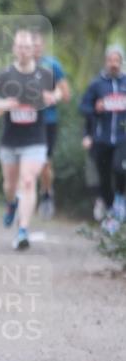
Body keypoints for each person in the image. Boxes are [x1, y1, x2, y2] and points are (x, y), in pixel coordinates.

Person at [0, 29, 62, 250]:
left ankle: (23, 230)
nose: (24, 51)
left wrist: (52, 97)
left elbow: (59, 93)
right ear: (14, 49)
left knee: (28, 181)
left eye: (27, 47)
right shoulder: (6, 75)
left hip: (36, 139)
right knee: (10, 185)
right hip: (10, 140)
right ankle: (11, 202)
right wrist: (4, 104)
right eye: (20, 47)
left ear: (33, 50)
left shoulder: (44, 74)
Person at [79, 44, 126, 233]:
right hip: (102, 139)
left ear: (121, 62)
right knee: (104, 177)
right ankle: (112, 211)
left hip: (123, 138)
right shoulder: (96, 84)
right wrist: (95, 108)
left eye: (117, 60)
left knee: (120, 168)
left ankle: (120, 201)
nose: (113, 64)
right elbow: (83, 107)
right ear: (106, 62)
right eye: (110, 60)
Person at [32, 30, 71, 219]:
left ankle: (46, 193)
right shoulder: (18, 67)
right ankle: (25, 197)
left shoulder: (52, 65)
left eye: (38, 45)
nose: (35, 49)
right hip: (25, 121)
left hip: (48, 120)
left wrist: (54, 95)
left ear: (43, 46)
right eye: (32, 45)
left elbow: (66, 94)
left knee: (44, 162)